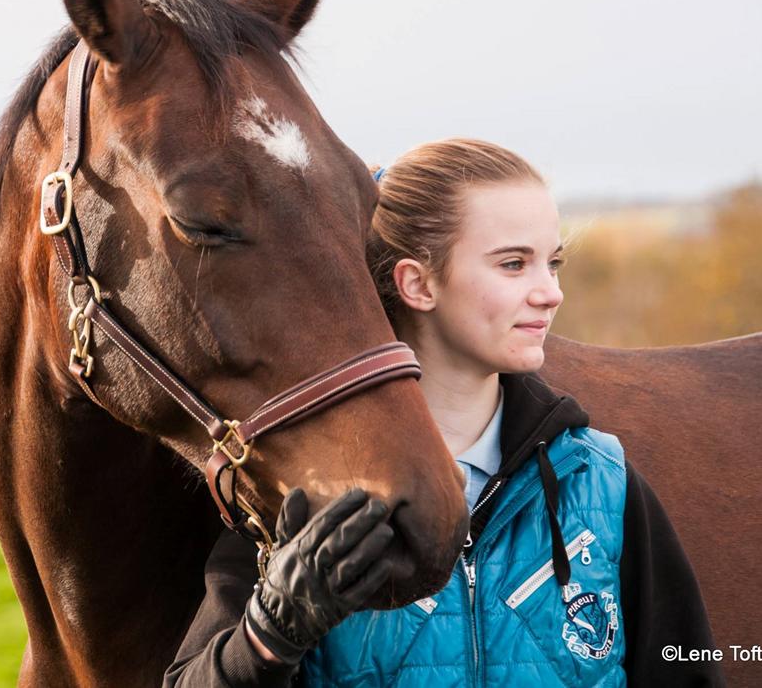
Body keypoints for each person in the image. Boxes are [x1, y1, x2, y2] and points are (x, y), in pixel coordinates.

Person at [165, 139, 722, 686]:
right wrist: (268, 635)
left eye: (552, 263)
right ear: (417, 283)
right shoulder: (311, 491)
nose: (550, 292)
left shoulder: (600, 480)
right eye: (513, 264)